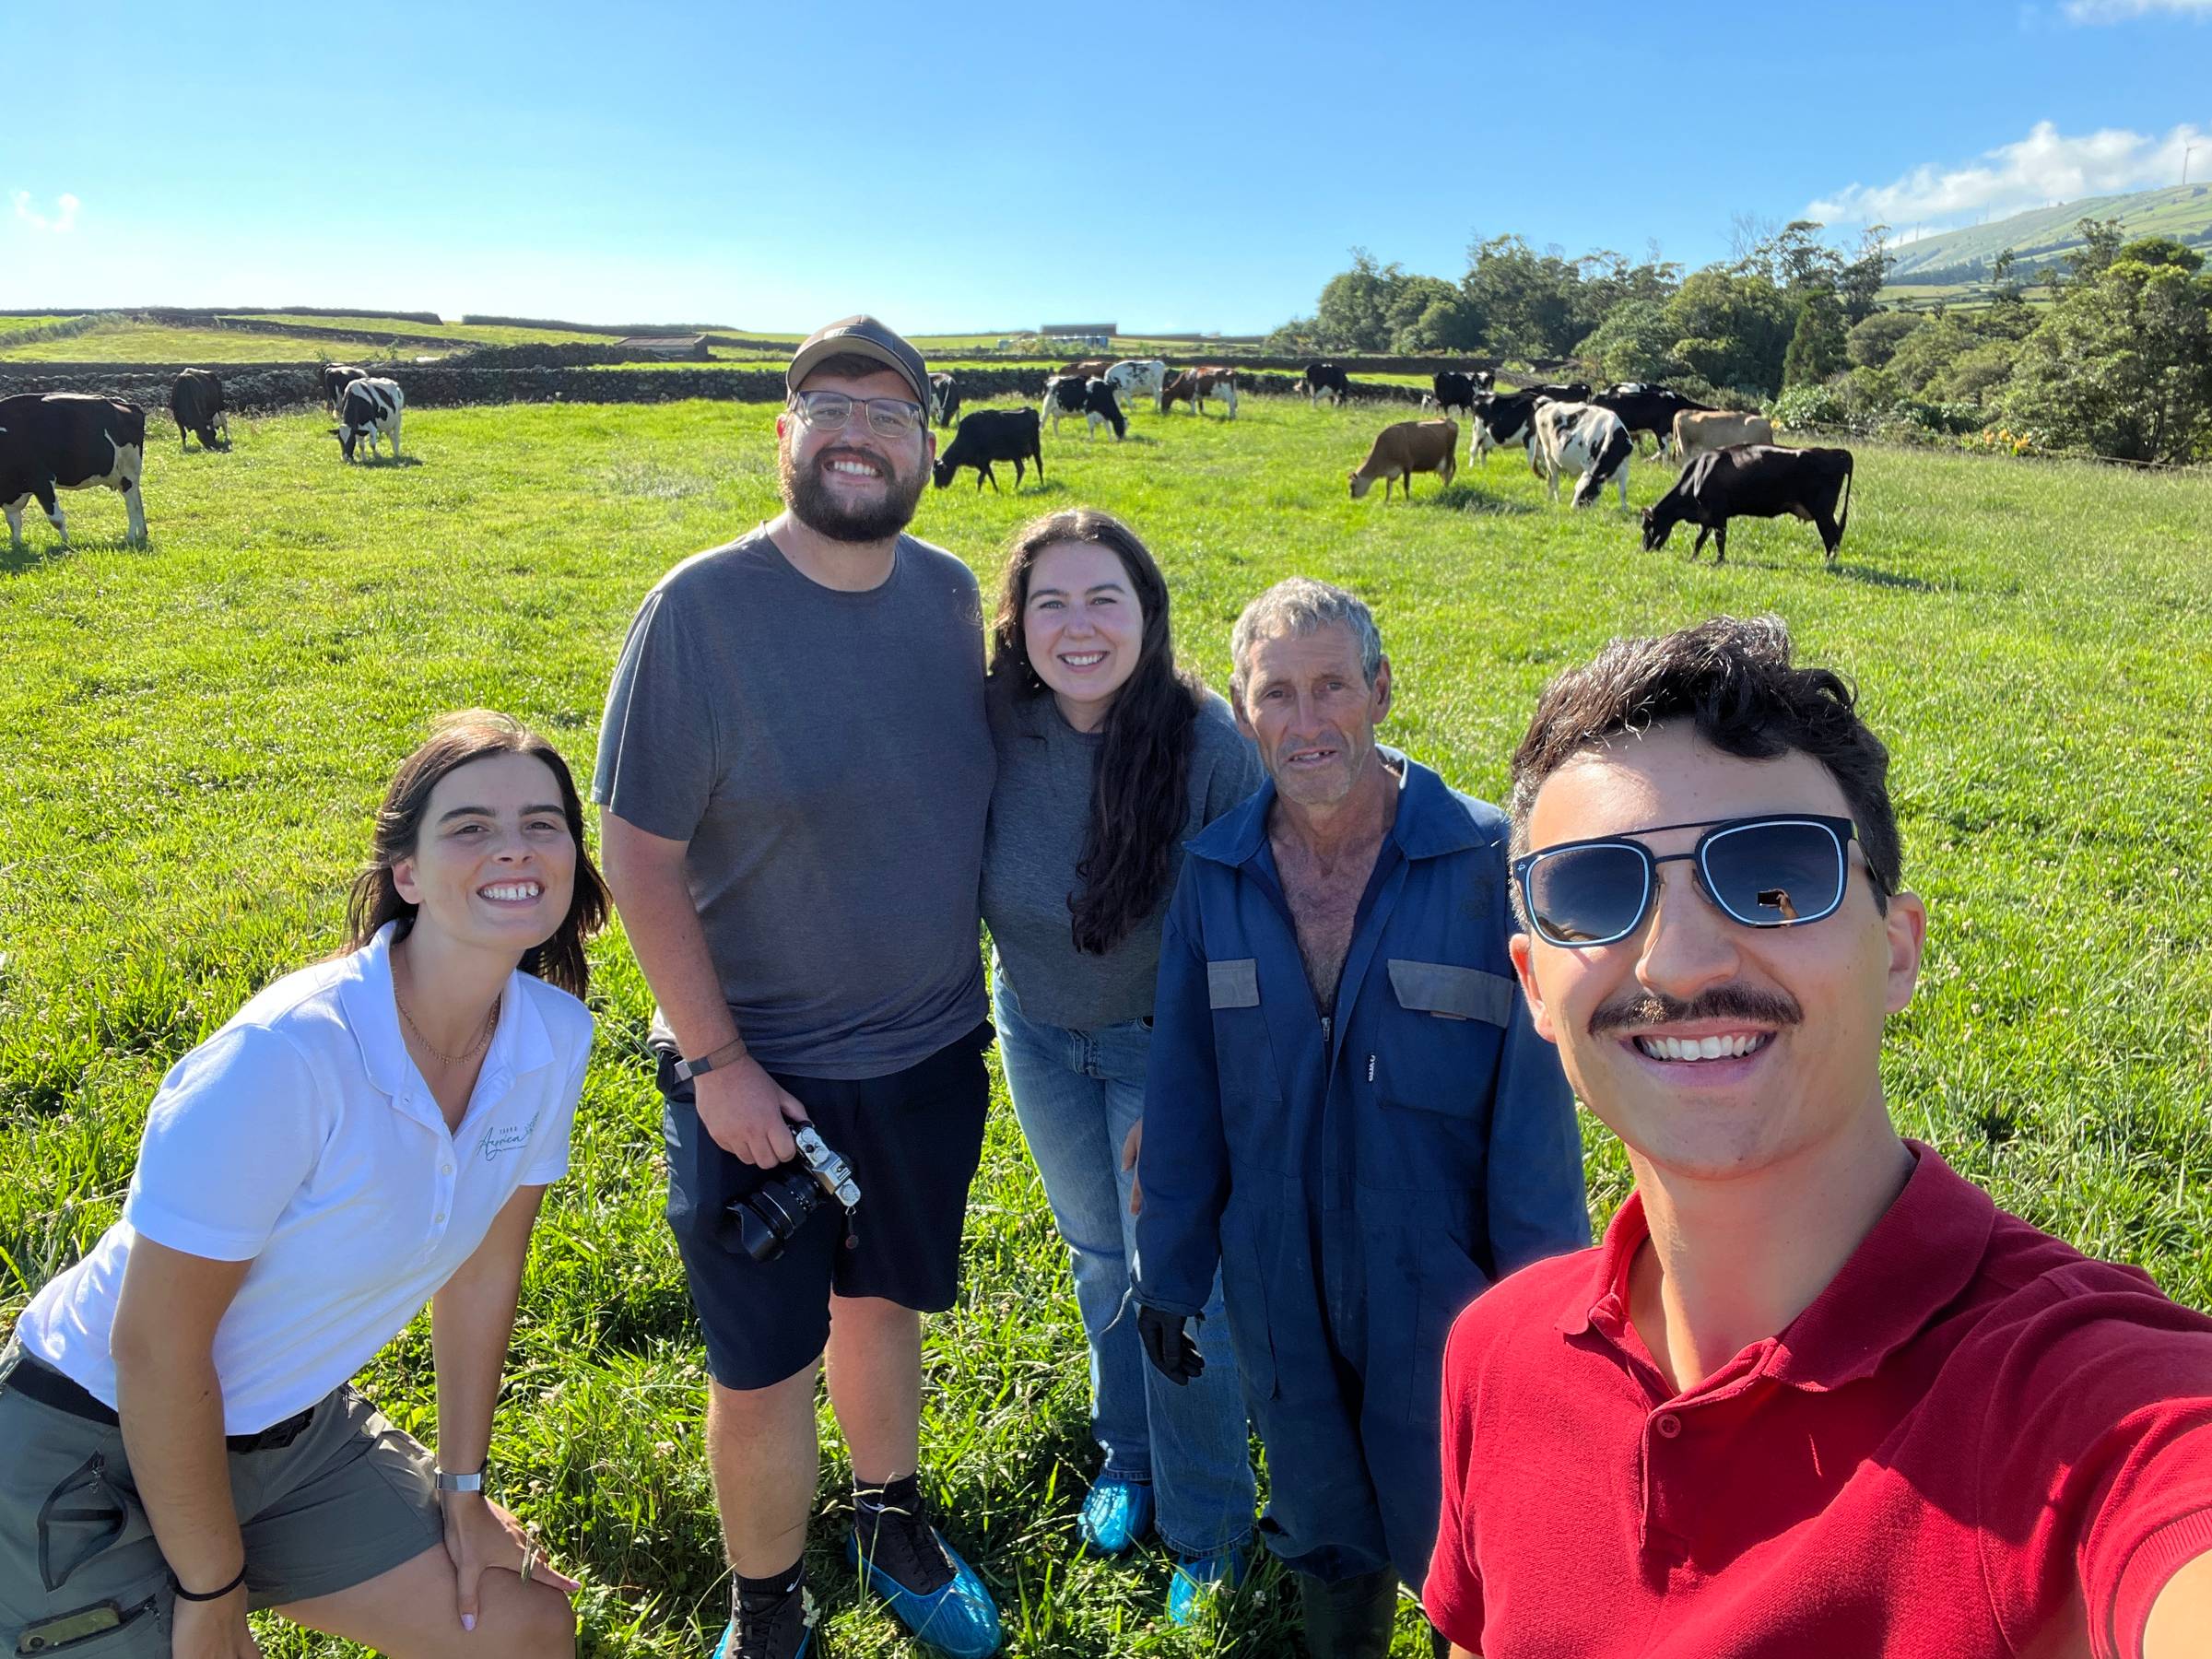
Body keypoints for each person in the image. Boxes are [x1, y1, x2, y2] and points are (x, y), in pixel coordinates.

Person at [1427, 616, 2212, 1657]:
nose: (1681, 963)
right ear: (1534, 983)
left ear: (1897, 953)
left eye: (1775, 876)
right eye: (1596, 892)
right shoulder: (1498, 1355)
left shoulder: (2071, 1397)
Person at [2, 711, 606, 1659]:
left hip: (291, 1432)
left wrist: (461, 1489)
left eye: (543, 822)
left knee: (524, 1630)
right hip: (97, 1443)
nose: (515, 847)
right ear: (406, 875)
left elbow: (486, 1270)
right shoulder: (287, 1056)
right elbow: (156, 1350)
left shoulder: (551, 1039)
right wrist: (214, 1591)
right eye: (471, 826)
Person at [593, 317, 999, 1659]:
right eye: (830, 405)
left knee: (882, 1308)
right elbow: (637, 858)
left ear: (928, 449)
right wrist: (715, 1064)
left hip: (930, 1056)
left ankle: (889, 1518)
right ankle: (766, 1607)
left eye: (889, 416)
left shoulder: (951, 598)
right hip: (754, 1080)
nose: (857, 435)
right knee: (760, 1365)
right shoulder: (699, 612)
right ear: (784, 436)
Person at [1133, 577, 1590, 1659]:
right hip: (1277, 1284)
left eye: (1331, 685)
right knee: (1322, 1519)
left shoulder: (1486, 865)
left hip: (1445, 1293)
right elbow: (1185, 1092)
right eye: (1276, 694)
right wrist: (1170, 1270)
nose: (1306, 721)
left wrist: (1546, 1312)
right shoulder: (1215, 878)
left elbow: (1533, 1122)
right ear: (1245, 715)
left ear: (1380, 691)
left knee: (1462, 1525)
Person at [980, 510, 1265, 1621]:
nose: (1078, 626)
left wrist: (1192, 1093)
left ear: (1148, 614)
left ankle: (1209, 1525)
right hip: (1039, 1036)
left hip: (1168, 1048)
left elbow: (1250, 940)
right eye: (1050, 601)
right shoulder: (995, 726)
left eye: (1106, 599)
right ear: (1018, 622)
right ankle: (1129, 1459)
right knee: (1100, 1259)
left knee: (1180, 1284)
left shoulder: (1205, 746)